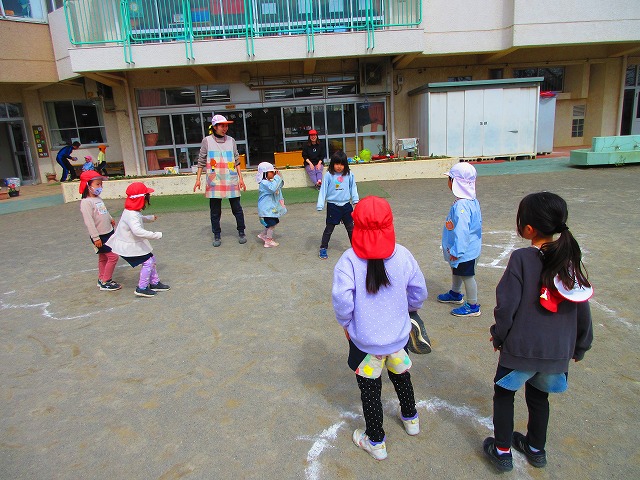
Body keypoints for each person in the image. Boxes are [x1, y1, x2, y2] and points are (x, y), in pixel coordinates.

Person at [483, 192, 593, 472]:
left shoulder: (521, 258)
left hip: (520, 349)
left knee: (504, 394)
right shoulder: (569, 260)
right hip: (556, 353)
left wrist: (499, 335)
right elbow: (583, 308)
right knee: (539, 397)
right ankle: (536, 448)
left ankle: (502, 450)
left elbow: (506, 306)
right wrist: (581, 346)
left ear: (528, 229)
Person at [332, 196, 428, 461]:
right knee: (401, 376)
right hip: (398, 338)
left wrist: (346, 323)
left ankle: (376, 441)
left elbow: (342, 301)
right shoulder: (403, 255)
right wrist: (410, 309)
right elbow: (419, 292)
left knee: (370, 390)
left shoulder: (349, 260)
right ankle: (411, 419)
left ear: (356, 226)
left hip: (365, 343)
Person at [106, 182, 170, 298]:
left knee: (151, 259)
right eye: (146, 198)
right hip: (128, 246)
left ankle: (154, 282)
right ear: (141, 199)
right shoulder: (132, 214)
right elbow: (137, 231)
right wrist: (155, 235)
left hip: (132, 243)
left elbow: (138, 219)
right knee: (148, 262)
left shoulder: (132, 212)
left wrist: (149, 218)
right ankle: (142, 287)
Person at [193, 114, 247, 247]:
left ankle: (241, 231)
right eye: (222, 126)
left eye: (226, 126)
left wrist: (241, 178)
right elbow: (201, 161)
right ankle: (216, 234)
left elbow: (237, 160)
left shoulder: (231, 140)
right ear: (215, 127)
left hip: (230, 179)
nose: (225, 128)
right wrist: (198, 179)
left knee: (237, 208)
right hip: (214, 180)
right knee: (215, 211)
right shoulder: (207, 141)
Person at [437, 162, 483, 317]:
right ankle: (455, 293)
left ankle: (473, 305)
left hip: (464, 250)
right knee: (456, 270)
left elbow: (462, 231)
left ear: (455, 182)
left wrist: (457, 251)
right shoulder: (471, 200)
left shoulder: (461, 206)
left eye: (449, 179)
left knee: (467, 276)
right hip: (469, 247)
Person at [78, 170, 121, 291]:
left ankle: (101, 278)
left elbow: (103, 212)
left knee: (103, 257)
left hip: (108, 232)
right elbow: (89, 221)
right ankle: (106, 281)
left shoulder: (98, 199)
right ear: (88, 185)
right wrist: (95, 237)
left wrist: (110, 218)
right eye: (97, 184)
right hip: (100, 236)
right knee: (113, 257)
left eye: (101, 184)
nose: (100, 187)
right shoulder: (86, 202)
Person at [316, 150, 359, 260]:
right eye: (337, 164)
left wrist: (355, 200)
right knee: (329, 229)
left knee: (351, 228)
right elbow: (323, 190)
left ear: (345, 165)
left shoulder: (349, 174)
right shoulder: (329, 175)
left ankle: (356, 248)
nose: (339, 167)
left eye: (342, 164)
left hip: (346, 205)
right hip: (333, 206)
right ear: (332, 164)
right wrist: (320, 204)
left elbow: (353, 187)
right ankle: (323, 247)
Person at [256, 162, 287, 248]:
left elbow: (279, 185)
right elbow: (273, 188)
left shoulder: (271, 182)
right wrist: (277, 178)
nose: (273, 173)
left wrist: (279, 177)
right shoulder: (264, 183)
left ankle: (263, 235)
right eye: (271, 172)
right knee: (271, 225)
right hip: (266, 210)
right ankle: (268, 241)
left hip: (270, 209)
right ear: (264, 173)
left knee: (274, 222)